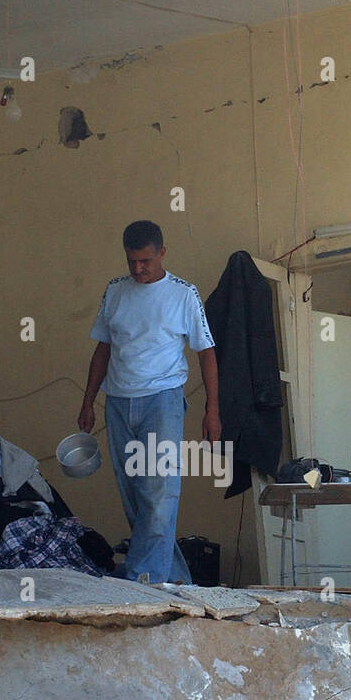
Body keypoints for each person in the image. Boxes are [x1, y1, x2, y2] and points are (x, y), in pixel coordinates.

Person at [78, 220, 220, 585]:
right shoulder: (115, 291)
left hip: (162, 402)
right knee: (138, 502)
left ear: (162, 253)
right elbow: (103, 348)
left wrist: (212, 410)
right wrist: (88, 400)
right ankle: (176, 582)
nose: (138, 269)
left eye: (145, 261)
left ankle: (141, 581)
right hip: (119, 402)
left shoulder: (183, 294)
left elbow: (206, 352)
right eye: (131, 262)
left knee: (159, 494)